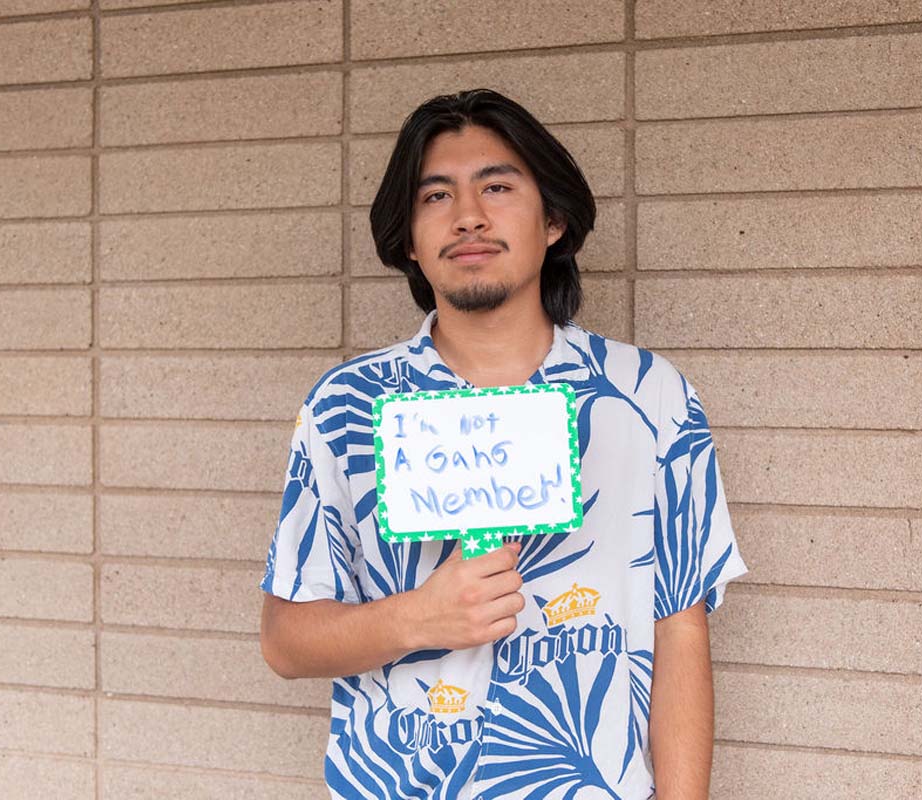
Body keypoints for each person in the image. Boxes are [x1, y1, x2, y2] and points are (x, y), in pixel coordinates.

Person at [259, 88, 748, 799]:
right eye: (436, 197)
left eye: (496, 186)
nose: (468, 216)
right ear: (407, 239)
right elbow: (285, 641)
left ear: (553, 219)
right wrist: (415, 618)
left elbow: (680, 632)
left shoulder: (648, 399)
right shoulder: (346, 406)